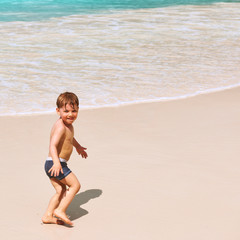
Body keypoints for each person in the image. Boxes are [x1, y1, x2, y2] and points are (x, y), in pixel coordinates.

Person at [42, 92, 88, 226]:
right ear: (58, 111)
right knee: (75, 185)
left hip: (51, 164)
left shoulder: (69, 126)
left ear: (78, 110)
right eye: (66, 111)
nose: (70, 114)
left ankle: (48, 216)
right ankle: (60, 210)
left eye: (74, 111)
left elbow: (70, 138)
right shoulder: (61, 126)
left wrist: (78, 147)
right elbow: (53, 145)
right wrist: (57, 163)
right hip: (56, 163)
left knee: (61, 191)